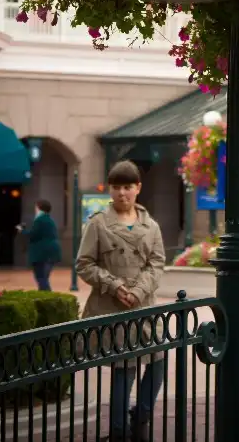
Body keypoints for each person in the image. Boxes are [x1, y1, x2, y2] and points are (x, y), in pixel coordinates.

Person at [76, 160, 165, 442]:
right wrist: (115, 287)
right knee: (124, 368)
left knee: (158, 361)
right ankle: (119, 431)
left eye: (127, 187)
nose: (122, 193)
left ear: (138, 188)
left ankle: (140, 419)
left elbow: (157, 264)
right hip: (112, 307)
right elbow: (84, 264)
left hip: (144, 306)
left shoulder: (151, 226)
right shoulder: (98, 223)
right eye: (116, 187)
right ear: (110, 190)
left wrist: (138, 291)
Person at [17, 199, 62, 291]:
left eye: (36, 207)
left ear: (39, 208)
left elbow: (33, 235)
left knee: (41, 277)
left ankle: (47, 297)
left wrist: (22, 231)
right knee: (44, 278)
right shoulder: (50, 220)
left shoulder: (39, 220)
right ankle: (45, 296)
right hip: (52, 253)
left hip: (41, 254)